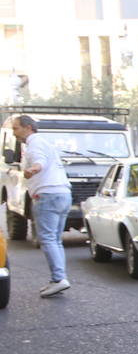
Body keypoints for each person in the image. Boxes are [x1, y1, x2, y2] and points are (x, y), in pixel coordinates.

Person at [10, 115, 72, 297]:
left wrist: (32, 170)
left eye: (16, 128)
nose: (14, 133)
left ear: (28, 127)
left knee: (47, 239)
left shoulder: (34, 144)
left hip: (47, 195)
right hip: (63, 194)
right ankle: (58, 279)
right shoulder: (45, 143)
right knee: (55, 240)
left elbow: (40, 162)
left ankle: (59, 279)